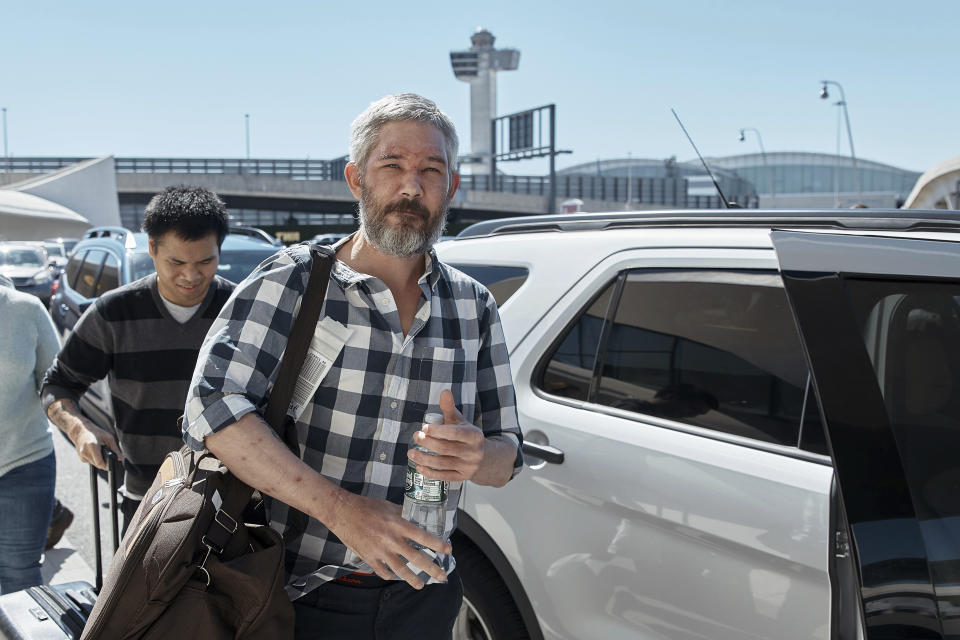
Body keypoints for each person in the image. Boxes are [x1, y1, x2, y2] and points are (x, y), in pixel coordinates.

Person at [183, 93, 523, 640]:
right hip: (293, 596)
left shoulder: (474, 307)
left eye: (430, 170)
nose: (412, 187)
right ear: (356, 179)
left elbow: (509, 457)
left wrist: (480, 454)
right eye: (392, 166)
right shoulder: (291, 283)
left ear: (451, 188)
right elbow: (211, 407)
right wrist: (341, 511)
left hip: (425, 597)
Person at [42, 186, 237, 534]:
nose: (191, 276)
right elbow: (57, 385)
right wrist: (80, 428)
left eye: (205, 262)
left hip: (231, 501)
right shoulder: (114, 313)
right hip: (145, 501)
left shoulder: (242, 311)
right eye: (176, 262)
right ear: (152, 248)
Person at [0, 274, 60, 594]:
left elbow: (56, 385)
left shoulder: (26, 309)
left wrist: (84, 429)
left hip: (24, 463)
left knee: (19, 581)